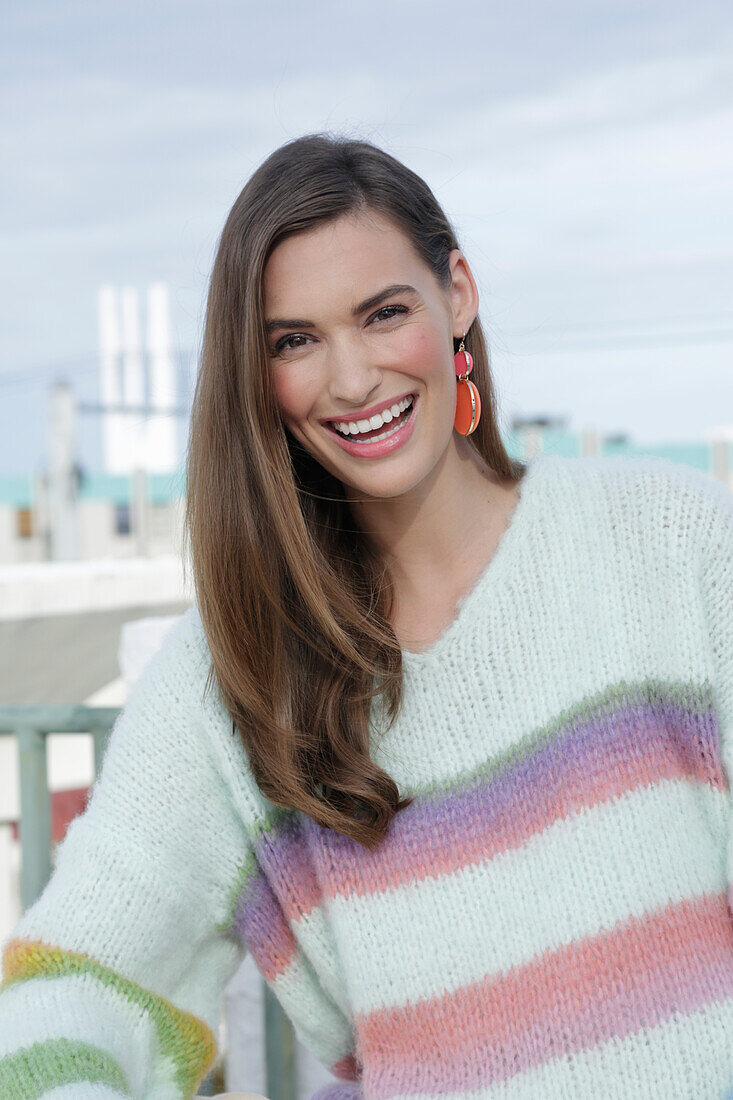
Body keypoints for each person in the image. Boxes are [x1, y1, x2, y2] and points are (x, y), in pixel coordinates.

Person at [1, 132, 732, 1100]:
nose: (349, 380)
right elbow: (65, 986)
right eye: (294, 341)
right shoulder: (238, 679)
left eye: (383, 313)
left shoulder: (675, 544)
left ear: (457, 293)